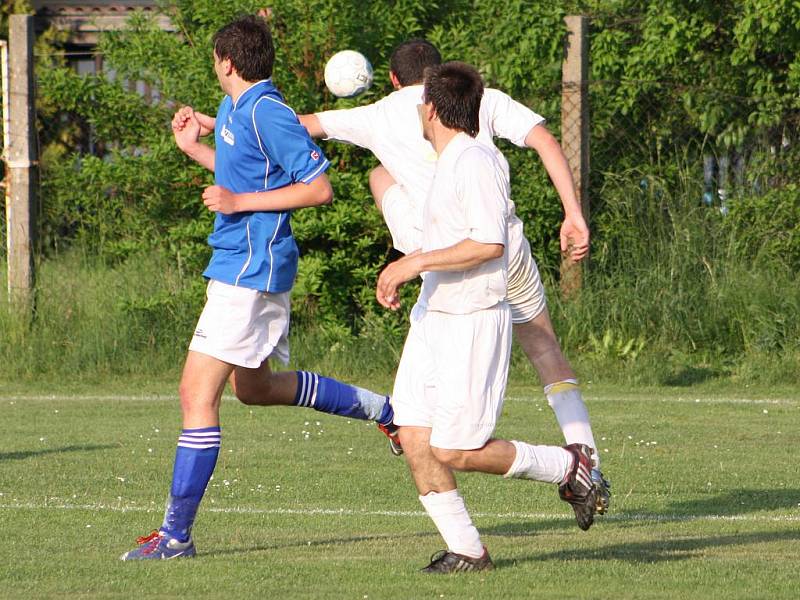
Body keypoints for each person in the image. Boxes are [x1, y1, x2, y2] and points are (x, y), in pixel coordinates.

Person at [120, 15, 397, 560]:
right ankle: (385, 411)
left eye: (213, 58)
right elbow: (239, 172)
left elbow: (318, 190)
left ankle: (175, 537)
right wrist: (193, 148)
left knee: (195, 395)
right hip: (240, 264)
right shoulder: (234, 107)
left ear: (226, 62)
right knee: (255, 389)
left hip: (250, 268)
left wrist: (237, 203)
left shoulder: (269, 112)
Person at [298, 39, 610, 522]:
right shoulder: (481, 99)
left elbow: (301, 125)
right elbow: (546, 139)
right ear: (441, 74)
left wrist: (224, 121)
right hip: (506, 246)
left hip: (451, 260)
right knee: (545, 348)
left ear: (402, 85)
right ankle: (587, 455)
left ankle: (567, 470)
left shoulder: (379, 112)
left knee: (380, 177)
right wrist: (573, 214)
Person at [376, 61, 597, 573]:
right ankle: (468, 549)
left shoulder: (475, 160)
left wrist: (414, 262)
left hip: (474, 318)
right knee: (412, 432)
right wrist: (410, 270)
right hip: (435, 314)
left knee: (455, 447)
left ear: (429, 108)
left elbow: (488, 243)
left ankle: (569, 465)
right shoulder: (448, 157)